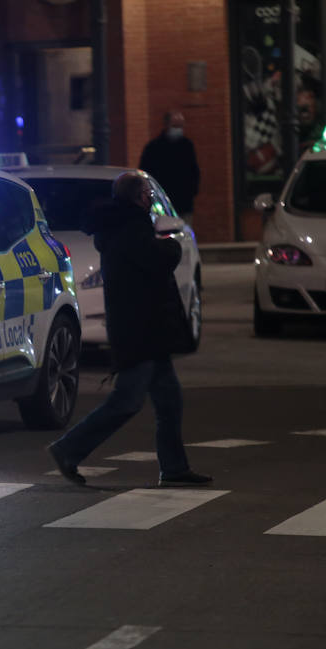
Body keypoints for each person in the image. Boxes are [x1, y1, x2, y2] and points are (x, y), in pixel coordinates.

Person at [47, 171, 211, 487]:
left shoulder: (123, 226)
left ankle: (175, 468)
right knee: (127, 400)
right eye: (148, 192)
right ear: (137, 197)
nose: (151, 197)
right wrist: (173, 249)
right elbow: (157, 259)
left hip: (146, 328)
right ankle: (68, 449)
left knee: (169, 400)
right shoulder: (130, 229)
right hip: (140, 330)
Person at [139, 111, 200, 224]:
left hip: (184, 200)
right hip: (162, 198)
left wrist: (191, 190)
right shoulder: (154, 148)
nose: (178, 129)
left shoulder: (187, 146)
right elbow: (146, 172)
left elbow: (193, 171)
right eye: (175, 126)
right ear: (166, 125)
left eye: (180, 126)